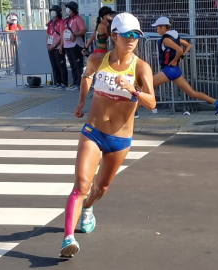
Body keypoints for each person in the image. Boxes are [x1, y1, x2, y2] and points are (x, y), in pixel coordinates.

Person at [59, 12, 156, 258]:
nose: (133, 39)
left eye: (137, 35)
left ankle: (89, 208)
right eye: (127, 35)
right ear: (114, 36)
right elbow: (86, 78)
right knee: (81, 185)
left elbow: (152, 103)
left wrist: (133, 90)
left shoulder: (142, 68)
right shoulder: (97, 59)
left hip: (120, 139)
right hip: (93, 131)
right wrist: (81, 102)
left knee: (100, 188)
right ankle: (67, 238)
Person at [152, 17, 218, 115]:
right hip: (174, 70)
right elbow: (188, 45)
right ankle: (217, 102)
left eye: (157, 28)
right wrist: (181, 58)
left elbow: (179, 50)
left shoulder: (166, 39)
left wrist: (175, 60)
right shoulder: (175, 36)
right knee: (192, 93)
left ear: (163, 27)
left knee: (146, 84)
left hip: (169, 70)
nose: (157, 30)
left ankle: (137, 110)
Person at [60, 1, 87, 92]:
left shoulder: (78, 19)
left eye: (69, 8)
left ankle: (79, 84)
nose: (67, 10)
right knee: (72, 65)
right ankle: (75, 83)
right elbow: (63, 32)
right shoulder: (66, 19)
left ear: (73, 10)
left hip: (76, 44)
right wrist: (62, 45)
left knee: (78, 65)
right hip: (68, 45)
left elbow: (83, 30)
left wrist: (75, 34)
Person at [47, 5, 68, 90]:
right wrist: (47, 44)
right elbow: (48, 34)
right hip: (50, 46)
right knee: (54, 65)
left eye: (54, 11)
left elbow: (61, 35)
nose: (52, 12)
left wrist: (56, 45)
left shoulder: (61, 22)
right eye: (51, 10)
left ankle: (64, 82)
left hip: (58, 46)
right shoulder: (50, 22)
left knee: (61, 65)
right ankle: (57, 82)